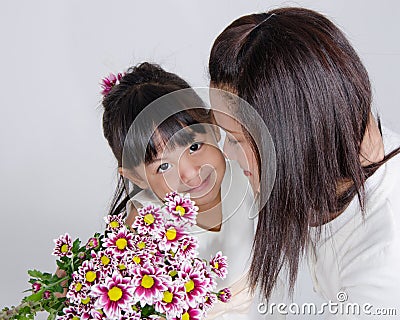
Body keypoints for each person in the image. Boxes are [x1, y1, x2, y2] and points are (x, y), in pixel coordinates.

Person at [208, 7, 400, 318]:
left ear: (295, 138)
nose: (226, 152)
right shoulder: (344, 140)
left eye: (235, 138)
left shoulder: (382, 267)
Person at [101, 62, 274, 319]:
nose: (191, 174)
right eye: (164, 166)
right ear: (137, 176)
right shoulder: (145, 222)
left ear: (214, 128)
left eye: (194, 147)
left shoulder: (249, 176)